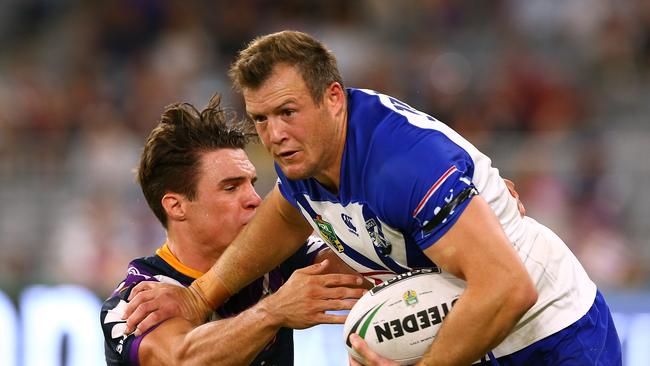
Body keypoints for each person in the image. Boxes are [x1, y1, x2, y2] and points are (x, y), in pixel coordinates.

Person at [124, 31, 621, 365]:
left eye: (287, 112)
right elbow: (284, 213)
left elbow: (509, 289)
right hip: (477, 334)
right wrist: (199, 295)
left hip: (551, 334)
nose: (273, 134)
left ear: (334, 99)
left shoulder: (400, 165)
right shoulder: (310, 152)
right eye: (260, 119)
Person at [100, 94, 367, 365]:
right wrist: (274, 311)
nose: (254, 199)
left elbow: (372, 274)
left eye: (251, 183)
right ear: (176, 206)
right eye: (231, 187)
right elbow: (183, 359)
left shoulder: (279, 257)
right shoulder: (136, 300)